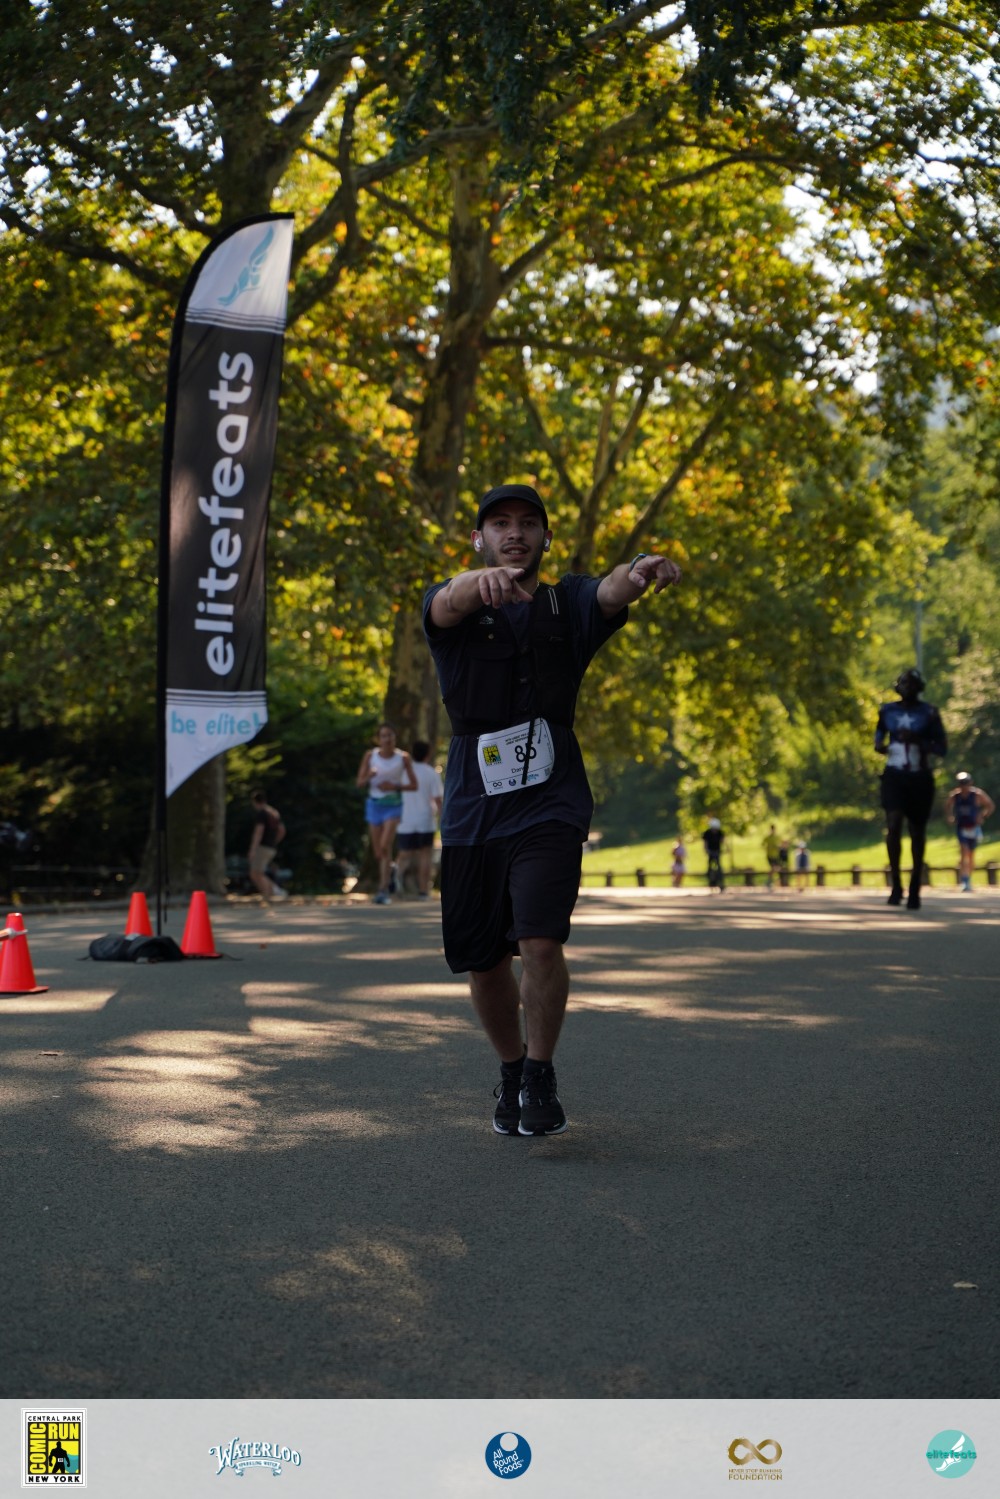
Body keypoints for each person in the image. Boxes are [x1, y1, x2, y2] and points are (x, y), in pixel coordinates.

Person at [423, 482, 681, 1136]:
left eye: (528, 523)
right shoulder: (453, 603)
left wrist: (640, 567)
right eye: (500, 524)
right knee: (484, 961)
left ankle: (540, 1070)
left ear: (545, 536)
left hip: (552, 802)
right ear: (479, 538)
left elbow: (612, 589)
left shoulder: (568, 602)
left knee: (540, 940)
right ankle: (511, 1067)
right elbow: (447, 601)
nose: (515, 533)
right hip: (473, 809)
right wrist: (474, 585)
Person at [874, 667, 947, 910]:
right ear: (898, 687)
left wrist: (919, 741)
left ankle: (915, 886)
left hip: (919, 776)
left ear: (919, 688)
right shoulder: (887, 710)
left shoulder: (929, 713)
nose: (908, 688)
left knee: (917, 830)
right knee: (893, 824)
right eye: (904, 683)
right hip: (894, 775)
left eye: (912, 684)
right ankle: (896, 884)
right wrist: (880, 745)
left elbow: (942, 748)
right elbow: (879, 735)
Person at [356, 723, 417, 905]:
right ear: (378, 739)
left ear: (395, 738)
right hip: (374, 805)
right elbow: (359, 783)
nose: (387, 739)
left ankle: (383, 889)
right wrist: (370, 775)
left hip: (393, 805)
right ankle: (390, 870)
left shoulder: (403, 758)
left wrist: (394, 786)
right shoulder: (370, 756)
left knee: (385, 845)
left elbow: (414, 785)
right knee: (378, 852)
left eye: (390, 735)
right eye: (383, 736)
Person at [396, 740, 444, 898]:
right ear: (427, 754)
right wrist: (443, 819)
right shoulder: (431, 773)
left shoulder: (404, 772)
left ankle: (394, 883)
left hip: (405, 820)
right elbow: (438, 800)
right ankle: (423, 890)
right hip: (425, 820)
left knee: (404, 854)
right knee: (425, 855)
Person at [945, 770, 995, 891]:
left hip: (974, 828)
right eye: (962, 783)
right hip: (961, 827)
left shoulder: (977, 794)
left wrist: (982, 816)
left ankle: (968, 879)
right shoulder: (955, 796)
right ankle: (964, 880)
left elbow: (990, 806)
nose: (964, 786)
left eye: (966, 782)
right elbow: (947, 806)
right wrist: (950, 817)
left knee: (971, 855)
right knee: (964, 851)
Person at [247, 789, 288, 902]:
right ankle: (274, 892)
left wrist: (253, 849)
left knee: (256, 873)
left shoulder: (262, 814)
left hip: (263, 847)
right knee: (258, 873)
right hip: (271, 847)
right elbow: (282, 830)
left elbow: (258, 832)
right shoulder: (274, 813)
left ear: (255, 802)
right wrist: (274, 841)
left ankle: (269, 895)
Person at [703, 817, 724, 891]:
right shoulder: (707, 833)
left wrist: (725, 849)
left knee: (719, 867)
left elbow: (722, 841)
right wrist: (706, 850)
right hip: (710, 851)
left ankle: (720, 881)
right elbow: (705, 843)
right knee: (710, 866)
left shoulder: (720, 832)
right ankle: (710, 879)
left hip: (717, 851)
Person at [763, 824, 781, 890]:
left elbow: (779, 845)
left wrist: (778, 847)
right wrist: (767, 848)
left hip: (776, 855)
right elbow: (763, 844)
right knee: (773, 868)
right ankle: (769, 882)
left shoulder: (777, 837)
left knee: (776, 868)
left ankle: (770, 881)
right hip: (770, 855)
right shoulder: (768, 837)